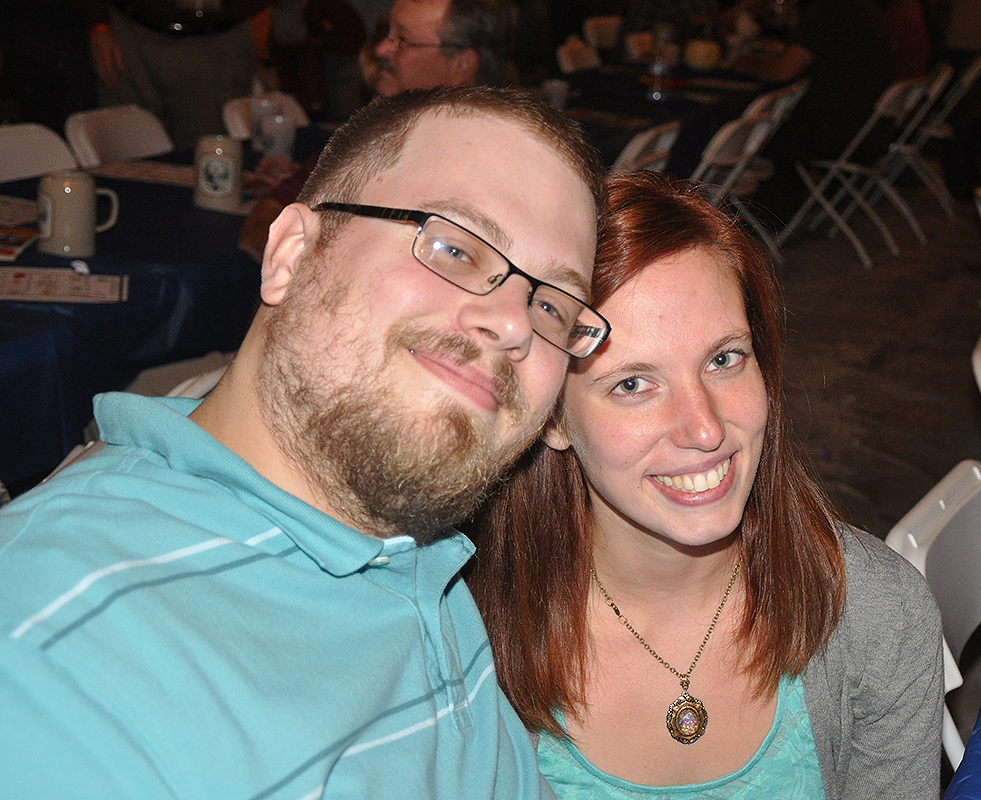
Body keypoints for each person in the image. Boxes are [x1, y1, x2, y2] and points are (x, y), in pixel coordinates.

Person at [0, 85, 608, 798]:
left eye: (551, 304)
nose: (513, 324)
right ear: (290, 253)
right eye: (454, 247)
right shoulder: (50, 658)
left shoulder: (420, 551)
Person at [467, 171, 944, 799]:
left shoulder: (874, 614)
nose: (705, 428)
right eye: (633, 384)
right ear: (550, 414)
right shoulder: (463, 639)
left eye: (724, 359)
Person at [238, 0, 519, 262]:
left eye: (401, 40)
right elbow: (266, 221)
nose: (381, 49)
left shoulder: (494, 174)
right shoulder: (376, 136)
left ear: (462, 65)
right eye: (388, 34)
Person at [717, 0, 896, 221]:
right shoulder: (864, 8)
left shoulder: (830, 8)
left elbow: (784, 71)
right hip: (871, 130)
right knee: (764, 120)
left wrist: (741, 64)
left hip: (840, 133)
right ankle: (771, 213)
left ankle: (718, 213)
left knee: (731, 125)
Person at [70, 0, 273, 149]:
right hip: (128, 32)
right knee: (128, 158)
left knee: (207, 161)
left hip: (215, 40)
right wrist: (97, 23)